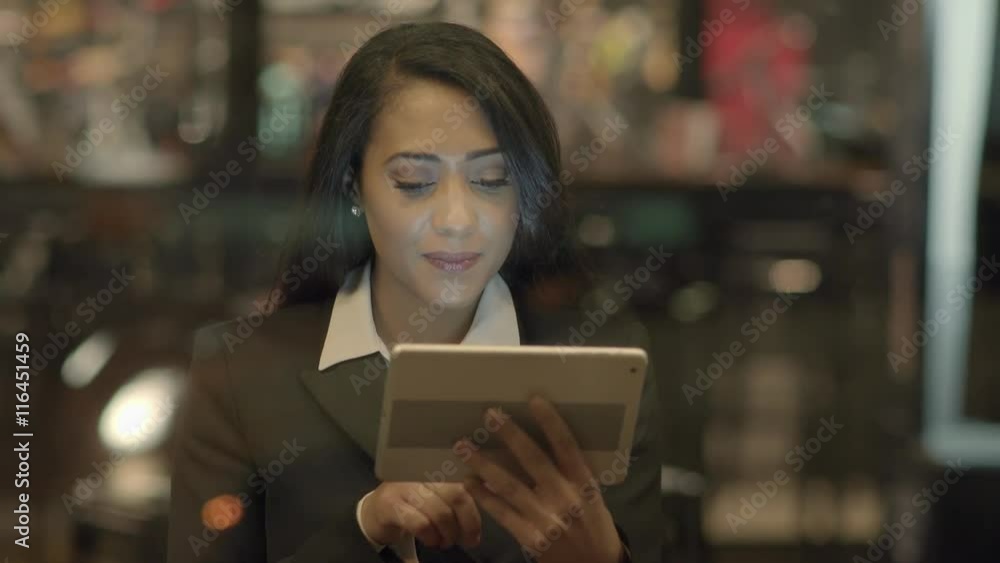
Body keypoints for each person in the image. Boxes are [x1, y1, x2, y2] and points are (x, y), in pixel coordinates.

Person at [166, 21, 666, 563]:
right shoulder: (240, 373)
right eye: (414, 182)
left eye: (492, 179)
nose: (456, 219)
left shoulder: (602, 366)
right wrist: (365, 529)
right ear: (354, 183)